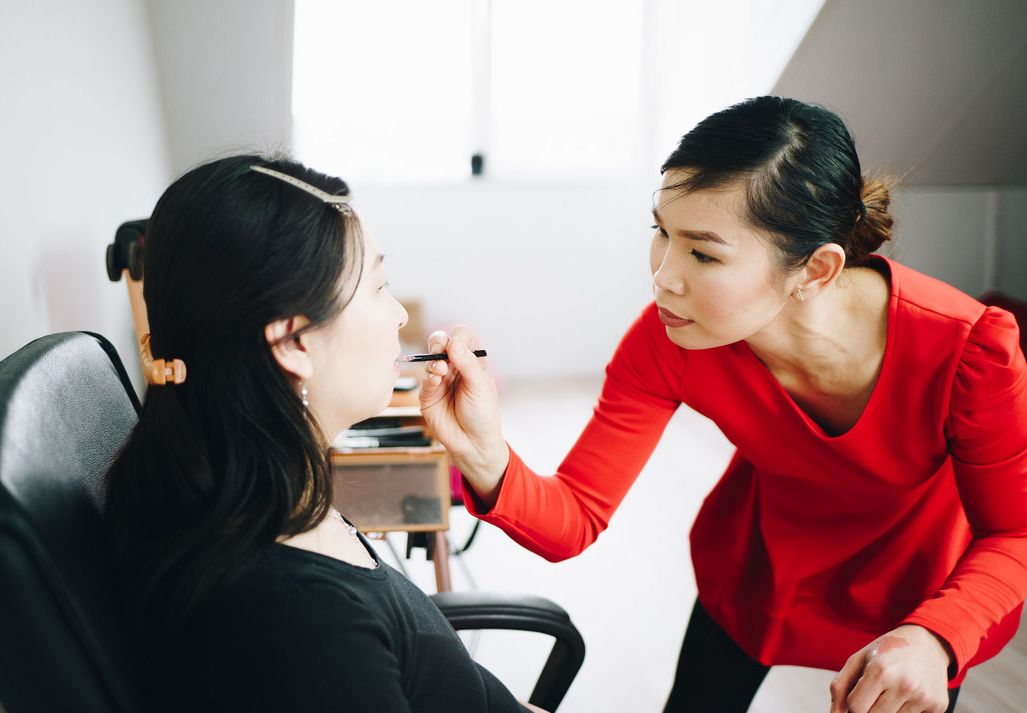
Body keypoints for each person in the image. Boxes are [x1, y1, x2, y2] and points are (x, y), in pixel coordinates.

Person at [419, 96, 1027, 713]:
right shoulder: (669, 339)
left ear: (815, 270)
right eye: (661, 231)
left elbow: (1013, 533)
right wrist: (481, 448)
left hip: (917, 600)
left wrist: (936, 636)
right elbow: (572, 516)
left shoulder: (970, 351)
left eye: (703, 253)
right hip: (757, 575)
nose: (662, 276)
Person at [103, 154, 543, 712]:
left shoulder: (250, 482)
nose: (399, 317)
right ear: (292, 343)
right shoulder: (298, 624)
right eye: (379, 288)